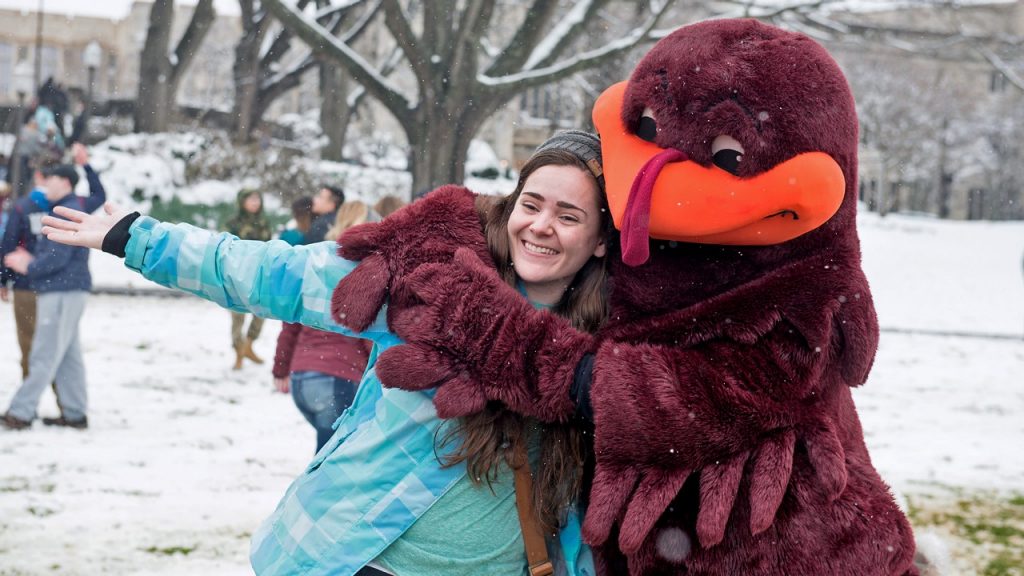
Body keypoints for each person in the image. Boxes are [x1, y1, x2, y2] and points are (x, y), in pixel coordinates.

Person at [41, 131, 611, 576]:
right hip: (362, 561)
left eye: (568, 216)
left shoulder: (613, 344)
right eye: (530, 204)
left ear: (602, 238)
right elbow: (272, 273)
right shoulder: (428, 276)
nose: (540, 227)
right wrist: (139, 238)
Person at [273, 200, 376, 452]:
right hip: (338, 378)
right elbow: (367, 332)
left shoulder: (319, 261)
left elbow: (292, 321)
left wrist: (281, 367)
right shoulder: (364, 272)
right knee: (331, 461)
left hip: (303, 378)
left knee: (330, 452)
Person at [1, 144, 106, 385]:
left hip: (33, 283)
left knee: (36, 345)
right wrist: (86, 165)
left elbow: (8, 244)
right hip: (41, 283)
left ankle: (31, 400)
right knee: (52, 345)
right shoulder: (68, 203)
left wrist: (4, 278)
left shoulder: (46, 204)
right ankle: (43, 399)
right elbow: (99, 196)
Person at [1, 163, 93, 430]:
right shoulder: (68, 206)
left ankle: (20, 412)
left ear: (64, 182)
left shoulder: (66, 210)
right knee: (68, 355)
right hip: (67, 288)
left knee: (44, 352)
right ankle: (75, 413)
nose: (43, 184)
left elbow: (58, 255)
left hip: (62, 290)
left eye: (49, 178)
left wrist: (27, 265)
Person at [224, 188, 272, 370]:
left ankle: (249, 345)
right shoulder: (232, 223)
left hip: (258, 275)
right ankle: (238, 353)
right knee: (237, 316)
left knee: (261, 312)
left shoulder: (264, 223)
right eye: (250, 199)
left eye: (257, 199)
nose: (255, 202)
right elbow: (225, 247)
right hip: (236, 275)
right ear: (242, 201)